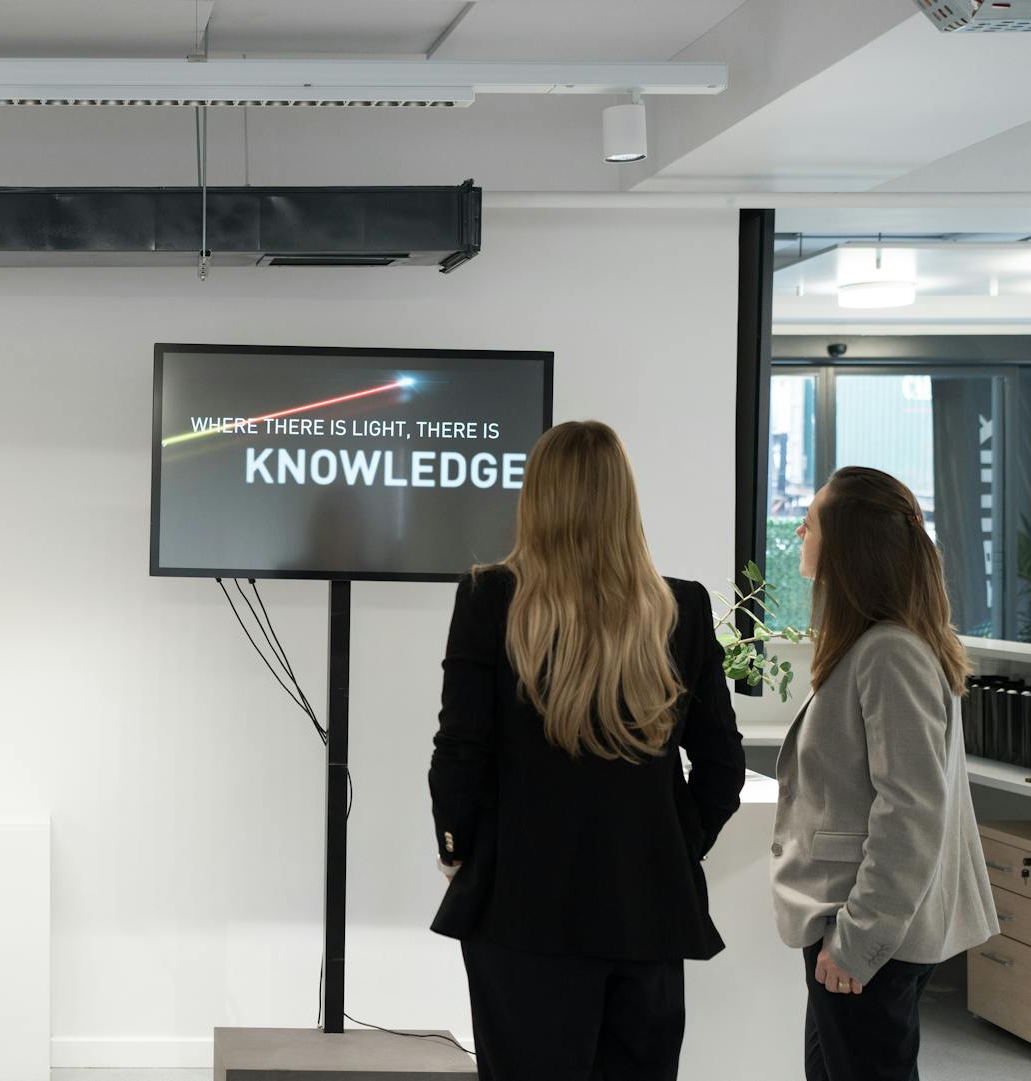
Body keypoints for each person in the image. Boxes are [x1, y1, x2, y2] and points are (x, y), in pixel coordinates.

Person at [428, 420, 746, 1081]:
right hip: (646, 913)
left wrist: (460, 847)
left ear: (535, 498)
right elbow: (722, 769)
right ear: (623, 500)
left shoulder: (490, 597)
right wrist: (673, 844)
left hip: (520, 910)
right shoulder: (680, 608)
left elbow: (460, 748)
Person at [773, 466, 998, 1081]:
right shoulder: (880, 644)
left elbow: (912, 813)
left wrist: (858, 939)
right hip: (859, 927)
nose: (798, 531)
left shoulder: (890, 652)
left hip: (868, 932)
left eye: (811, 521)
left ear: (847, 544)